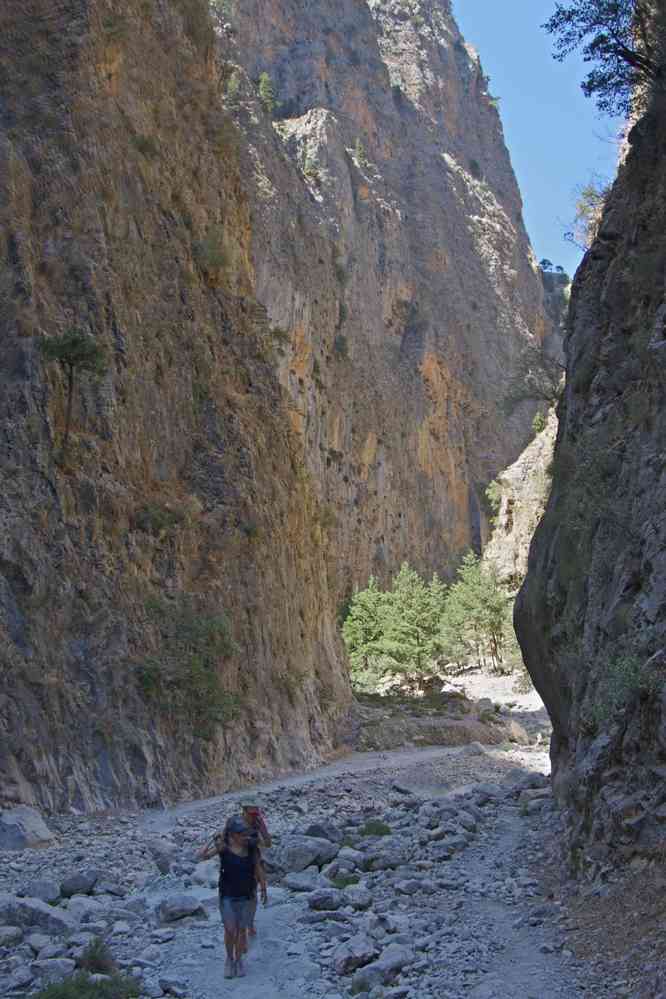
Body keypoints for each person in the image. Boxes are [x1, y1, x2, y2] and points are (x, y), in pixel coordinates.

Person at [198, 815, 268, 979]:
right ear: (231, 834)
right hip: (227, 896)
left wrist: (263, 888)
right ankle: (229, 960)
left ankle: (239, 961)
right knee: (230, 930)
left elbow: (258, 868)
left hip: (247, 895)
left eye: (245, 833)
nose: (245, 836)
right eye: (241, 833)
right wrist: (211, 839)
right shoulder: (223, 848)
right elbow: (201, 855)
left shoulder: (252, 847)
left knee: (242, 930)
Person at [241, 803, 272, 939]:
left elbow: (268, 843)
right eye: (252, 814)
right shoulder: (235, 822)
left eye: (256, 813)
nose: (254, 816)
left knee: (253, 895)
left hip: (253, 858)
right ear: (244, 811)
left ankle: (249, 923)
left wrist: (262, 831)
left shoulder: (258, 821)